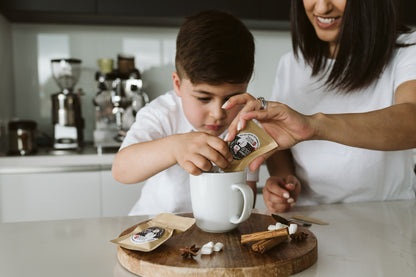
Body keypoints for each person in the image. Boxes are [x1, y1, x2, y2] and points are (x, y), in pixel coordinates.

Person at [223, 0, 416, 212]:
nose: (322, 7)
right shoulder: (292, 62)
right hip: (310, 220)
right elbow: (281, 139)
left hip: (389, 216)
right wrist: (283, 178)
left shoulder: (407, 49)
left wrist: (315, 125)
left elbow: (411, 119)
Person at [112, 10, 257, 216]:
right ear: (178, 85)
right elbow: (121, 169)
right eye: (204, 98)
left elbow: (246, 192)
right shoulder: (163, 113)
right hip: (155, 231)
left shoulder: (247, 123)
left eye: (230, 99)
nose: (218, 113)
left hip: (209, 236)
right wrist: (174, 147)